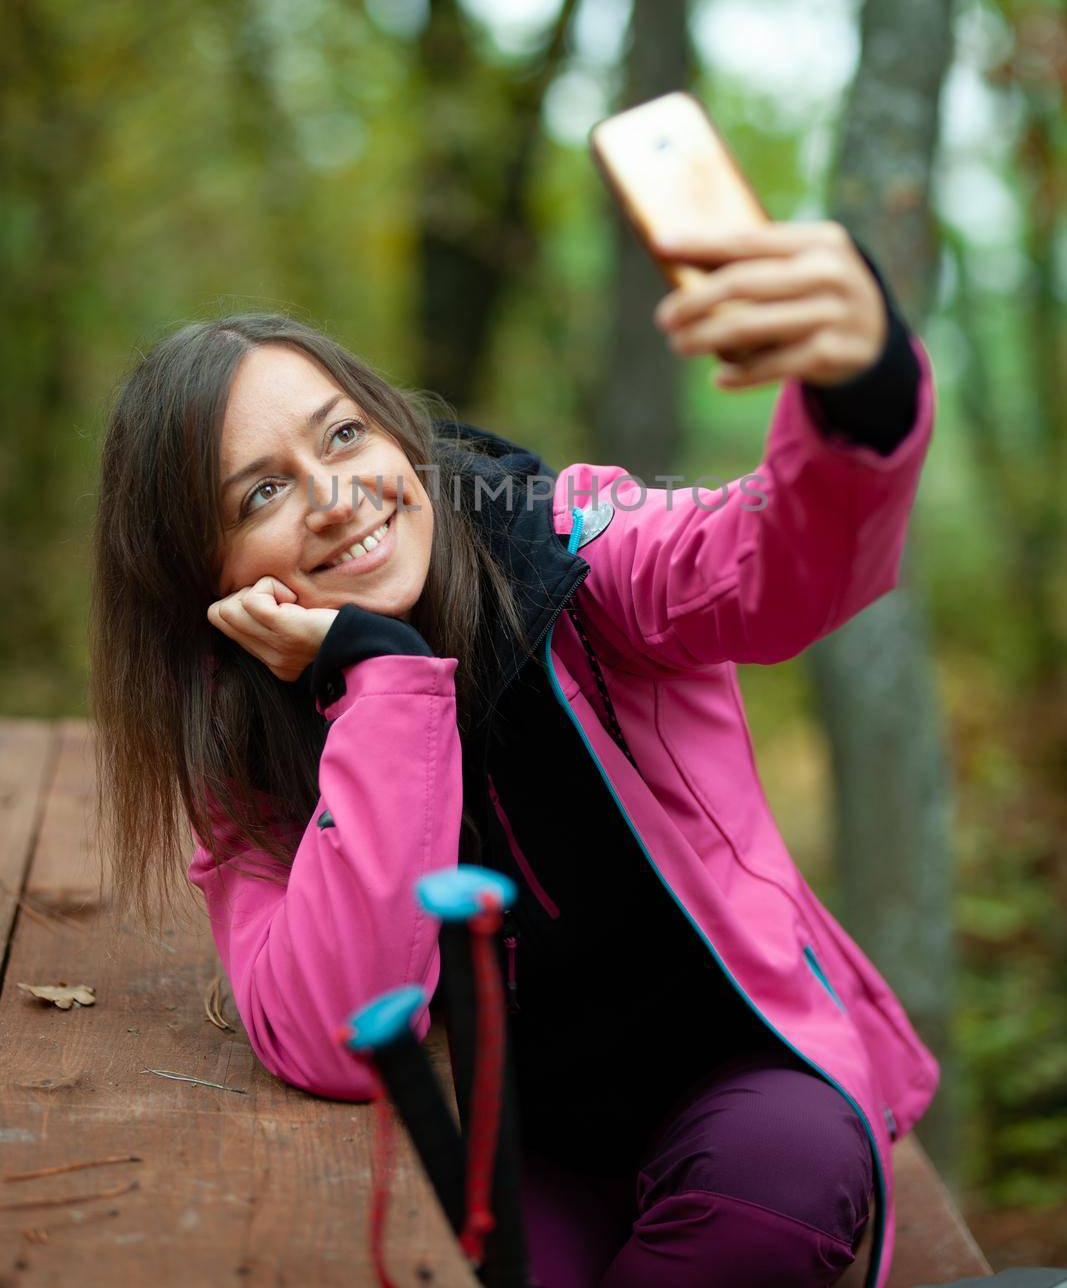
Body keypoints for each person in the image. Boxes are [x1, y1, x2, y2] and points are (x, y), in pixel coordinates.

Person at [89, 221, 939, 1288]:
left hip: (747, 1076)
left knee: (773, 1185)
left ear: (399, 435)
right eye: (261, 492)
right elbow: (334, 1035)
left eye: (344, 435)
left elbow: (772, 564)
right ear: (201, 575)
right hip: (524, 1141)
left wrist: (858, 390)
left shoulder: (571, 548)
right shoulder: (243, 737)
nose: (335, 494)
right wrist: (378, 678)